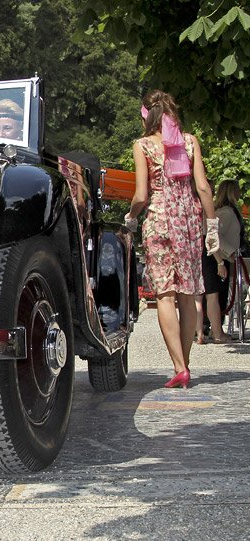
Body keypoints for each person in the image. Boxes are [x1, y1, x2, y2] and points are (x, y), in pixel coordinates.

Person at [123, 89, 219, 390]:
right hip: (189, 222)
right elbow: (203, 188)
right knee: (188, 293)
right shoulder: (189, 142)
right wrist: (212, 225)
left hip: (160, 221)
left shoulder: (143, 146)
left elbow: (140, 195)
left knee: (165, 293)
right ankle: (185, 364)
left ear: (145, 115)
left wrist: (131, 216)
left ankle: (178, 366)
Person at [203, 179, 244, 343]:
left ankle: (216, 330)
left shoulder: (226, 211)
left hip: (220, 256)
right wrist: (229, 253)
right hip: (217, 257)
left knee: (217, 295)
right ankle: (217, 332)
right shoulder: (226, 212)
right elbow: (215, 236)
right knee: (214, 295)